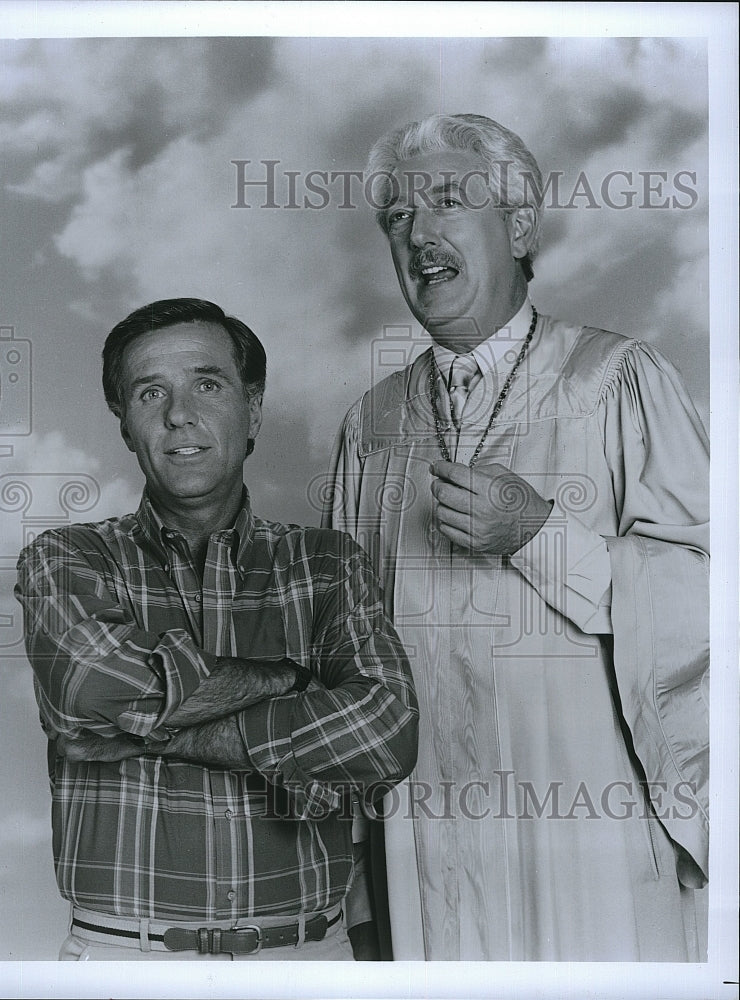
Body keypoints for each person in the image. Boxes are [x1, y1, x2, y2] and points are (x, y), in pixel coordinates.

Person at [324, 114, 709, 961]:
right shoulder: (374, 427)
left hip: (586, 841)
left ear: (521, 224)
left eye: (448, 201)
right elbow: (343, 662)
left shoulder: (615, 381)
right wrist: (357, 884)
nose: (418, 231)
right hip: (420, 845)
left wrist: (538, 532)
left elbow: (709, 599)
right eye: (396, 217)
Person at [16, 297, 418, 961]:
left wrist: (149, 732)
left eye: (207, 383)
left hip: (308, 955)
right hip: (130, 959)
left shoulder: (328, 566)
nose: (180, 413)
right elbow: (89, 686)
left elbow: (388, 731)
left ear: (252, 409)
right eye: (151, 392)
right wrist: (294, 679)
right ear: (125, 424)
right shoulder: (68, 557)